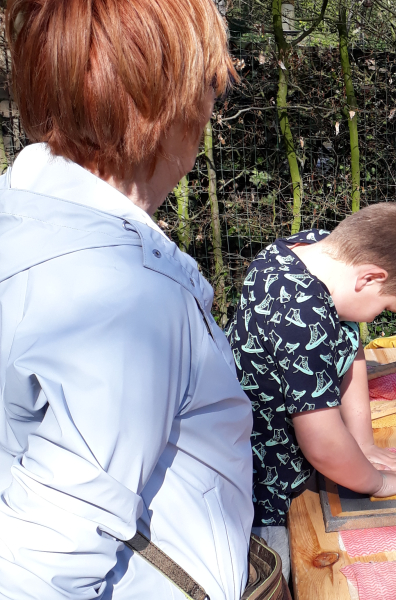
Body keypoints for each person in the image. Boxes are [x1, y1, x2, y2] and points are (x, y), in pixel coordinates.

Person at [0, 0, 274, 598]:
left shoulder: (23, 216)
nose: (211, 108)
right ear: (165, 102)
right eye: (208, 84)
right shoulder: (127, 296)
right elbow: (42, 568)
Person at [226, 203, 396, 575]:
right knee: (282, 576)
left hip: (281, 463)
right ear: (369, 278)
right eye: (385, 308)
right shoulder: (301, 313)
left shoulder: (312, 251)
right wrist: (380, 483)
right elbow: (324, 443)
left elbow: (349, 340)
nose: (377, 317)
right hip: (261, 488)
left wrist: (363, 443)